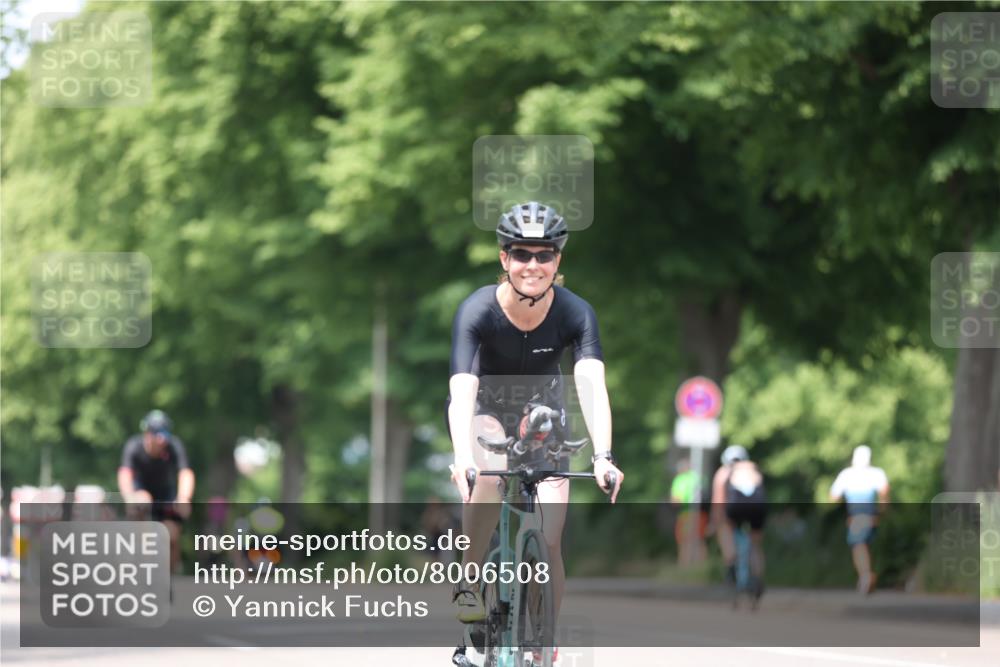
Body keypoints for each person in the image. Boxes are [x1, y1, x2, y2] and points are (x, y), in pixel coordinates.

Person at [447, 202, 623, 667]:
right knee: (488, 475)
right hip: (486, 411)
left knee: (550, 537)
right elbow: (462, 389)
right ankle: (470, 580)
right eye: (521, 254)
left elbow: (591, 384)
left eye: (544, 255)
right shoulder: (477, 310)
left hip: (543, 416)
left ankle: (543, 641)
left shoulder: (576, 312)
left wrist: (603, 456)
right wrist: (463, 456)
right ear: (504, 258)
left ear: (557, 260)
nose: (533, 265)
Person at [117, 409, 195, 573]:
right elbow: (125, 474)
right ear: (147, 433)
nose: (162, 439)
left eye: (165, 433)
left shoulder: (174, 446)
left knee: (172, 534)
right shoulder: (134, 446)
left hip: (165, 495)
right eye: (156, 433)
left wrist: (184, 498)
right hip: (141, 492)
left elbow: (185, 473)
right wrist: (129, 497)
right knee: (143, 500)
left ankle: (169, 573)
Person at [829, 444, 889, 594]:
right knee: (864, 544)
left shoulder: (847, 474)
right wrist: (881, 512)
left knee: (858, 544)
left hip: (857, 512)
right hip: (872, 512)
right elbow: (884, 493)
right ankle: (865, 575)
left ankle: (865, 575)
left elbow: (833, 497)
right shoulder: (877, 473)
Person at [711, 444, 766, 594]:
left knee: (725, 529)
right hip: (757, 509)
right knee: (755, 543)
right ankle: (757, 577)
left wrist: (715, 523)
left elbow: (718, 501)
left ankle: (731, 564)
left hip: (735, 508)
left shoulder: (724, 472)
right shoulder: (753, 469)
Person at [670, 458, 707, 566]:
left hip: (686, 513)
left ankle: (685, 567)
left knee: (684, 541)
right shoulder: (698, 477)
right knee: (699, 540)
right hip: (701, 513)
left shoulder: (680, 479)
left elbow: (676, 500)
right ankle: (702, 567)